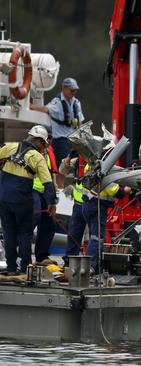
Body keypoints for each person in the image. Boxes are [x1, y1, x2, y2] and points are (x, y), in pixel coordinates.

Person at [0, 125, 56, 274]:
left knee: (8, 232)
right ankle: (25, 269)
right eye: (44, 144)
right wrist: (52, 203)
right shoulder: (37, 157)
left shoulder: (10, 146)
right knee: (24, 233)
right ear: (38, 141)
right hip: (22, 200)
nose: (44, 148)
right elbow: (48, 183)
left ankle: (11, 267)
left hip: (4, 197)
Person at [80, 161, 131, 274]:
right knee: (97, 238)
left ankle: (98, 268)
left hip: (87, 205)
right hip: (97, 207)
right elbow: (117, 192)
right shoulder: (103, 170)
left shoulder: (90, 165)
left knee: (98, 238)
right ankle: (89, 267)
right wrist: (131, 187)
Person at [32, 77, 85, 168]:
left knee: (74, 166)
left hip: (73, 140)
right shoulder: (57, 102)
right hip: (61, 140)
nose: (73, 93)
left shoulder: (76, 103)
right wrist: (31, 106)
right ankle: (59, 182)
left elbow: (80, 121)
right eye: (71, 90)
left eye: (74, 91)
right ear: (64, 88)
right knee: (61, 167)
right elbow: (46, 109)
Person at [32, 134, 58, 266]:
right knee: (32, 220)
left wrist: (53, 196)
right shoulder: (30, 153)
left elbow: (51, 175)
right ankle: (20, 256)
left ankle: (42, 257)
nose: (47, 142)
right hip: (32, 190)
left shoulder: (49, 153)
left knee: (50, 223)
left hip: (45, 192)